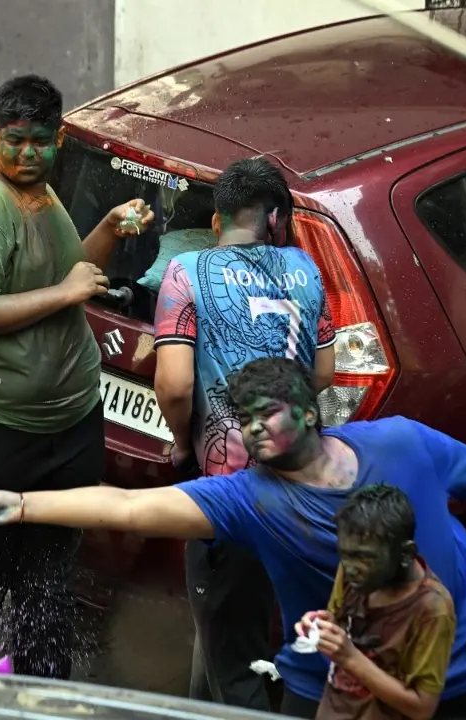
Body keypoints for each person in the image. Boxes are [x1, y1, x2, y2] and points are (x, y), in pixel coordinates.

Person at [0, 357, 466, 719]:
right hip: (341, 688)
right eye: (242, 418)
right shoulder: (249, 498)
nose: (251, 428)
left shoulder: (400, 441)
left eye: (264, 413)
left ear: (306, 410)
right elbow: (128, 506)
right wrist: (23, 505)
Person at [0, 74, 153, 677]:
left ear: (60, 140)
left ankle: (42, 697)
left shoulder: (44, 195)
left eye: (42, 141)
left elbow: (68, 268)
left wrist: (107, 227)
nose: (28, 154)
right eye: (16, 141)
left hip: (66, 426)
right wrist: (65, 293)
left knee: (48, 581)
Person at [153, 156, 337, 710]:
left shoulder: (188, 272)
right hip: (303, 489)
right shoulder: (306, 270)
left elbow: (177, 384)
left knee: (236, 660)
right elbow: (324, 373)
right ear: (276, 220)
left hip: (230, 494)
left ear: (217, 221)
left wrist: (184, 444)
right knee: (267, 636)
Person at [297, 484, 456, 720]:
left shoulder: (432, 609)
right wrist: (322, 626)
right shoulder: (354, 570)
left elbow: (422, 708)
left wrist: (349, 657)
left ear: (405, 555)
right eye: (345, 554)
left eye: (364, 557)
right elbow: (340, 621)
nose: (350, 568)